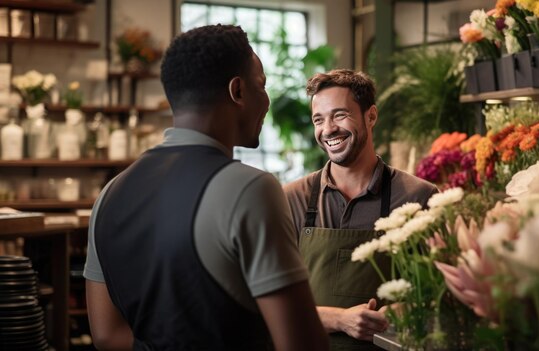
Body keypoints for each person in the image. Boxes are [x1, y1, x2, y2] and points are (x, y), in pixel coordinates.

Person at [83, 24, 329, 351]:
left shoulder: (110, 195)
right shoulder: (252, 190)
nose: (267, 100)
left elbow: (106, 335)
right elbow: (303, 344)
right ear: (238, 91)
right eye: (262, 85)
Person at [283, 69, 438, 350]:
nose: (328, 129)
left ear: (371, 116)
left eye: (340, 115)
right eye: (319, 119)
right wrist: (340, 319)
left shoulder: (419, 196)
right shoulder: (292, 198)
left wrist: (406, 309)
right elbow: (274, 303)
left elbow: (440, 295)